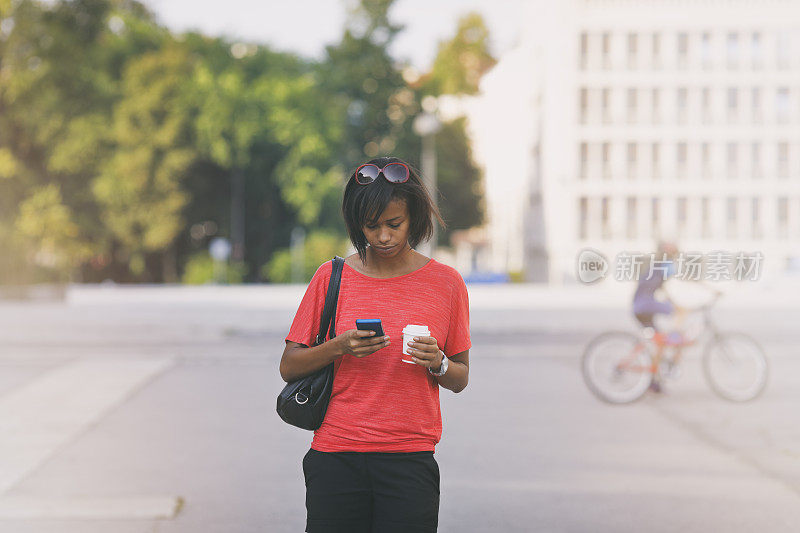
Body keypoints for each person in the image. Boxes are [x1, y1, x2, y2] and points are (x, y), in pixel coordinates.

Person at [280, 156, 471, 533]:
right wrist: (340, 346)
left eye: (393, 224)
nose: (383, 236)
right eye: (371, 226)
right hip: (336, 454)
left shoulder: (446, 283)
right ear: (356, 224)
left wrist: (439, 362)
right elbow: (289, 366)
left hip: (410, 459)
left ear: (414, 218)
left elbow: (460, 377)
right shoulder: (330, 277)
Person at [632, 241, 687, 393]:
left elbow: (661, 288)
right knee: (682, 312)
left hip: (639, 307)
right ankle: (675, 337)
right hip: (645, 305)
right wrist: (710, 289)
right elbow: (685, 280)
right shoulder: (665, 264)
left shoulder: (654, 265)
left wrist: (673, 302)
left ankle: (652, 380)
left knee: (661, 343)